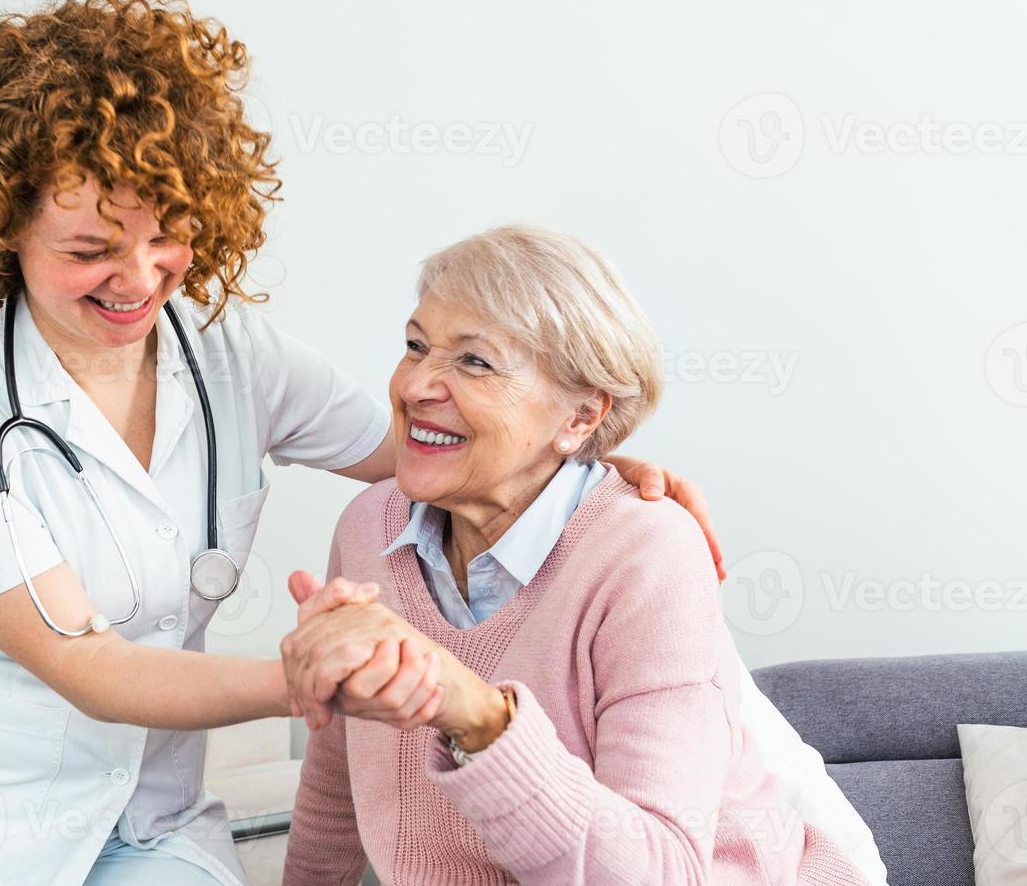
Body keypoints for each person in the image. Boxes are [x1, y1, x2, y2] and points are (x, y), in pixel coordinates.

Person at [0, 0, 713, 885]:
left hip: (150, 825)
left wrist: (585, 463)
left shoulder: (233, 357)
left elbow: (429, 447)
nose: (138, 277)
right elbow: (88, 667)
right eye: (89, 250)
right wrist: (315, 676)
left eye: (167, 235)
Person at [280, 227, 883, 885]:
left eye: (475, 362)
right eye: (416, 345)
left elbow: (663, 872)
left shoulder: (647, 556)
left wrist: (480, 720)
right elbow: (336, 781)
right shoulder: (369, 528)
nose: (417, 384)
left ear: (578, 418)